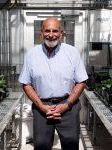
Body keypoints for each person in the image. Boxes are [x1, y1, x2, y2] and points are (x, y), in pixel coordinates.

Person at [18, 17, 88, 150]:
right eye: (47, 31)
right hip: (42, 109)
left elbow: (81, 82)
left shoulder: (72, 53)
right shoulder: (32, 55)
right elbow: (26, 84)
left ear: (61, 33)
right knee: (42, 146)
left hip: (69, 107)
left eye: (55, 31)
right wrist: (42, 106)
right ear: (41, 32)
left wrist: (66, 105)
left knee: (71, 144)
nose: (51, 35)